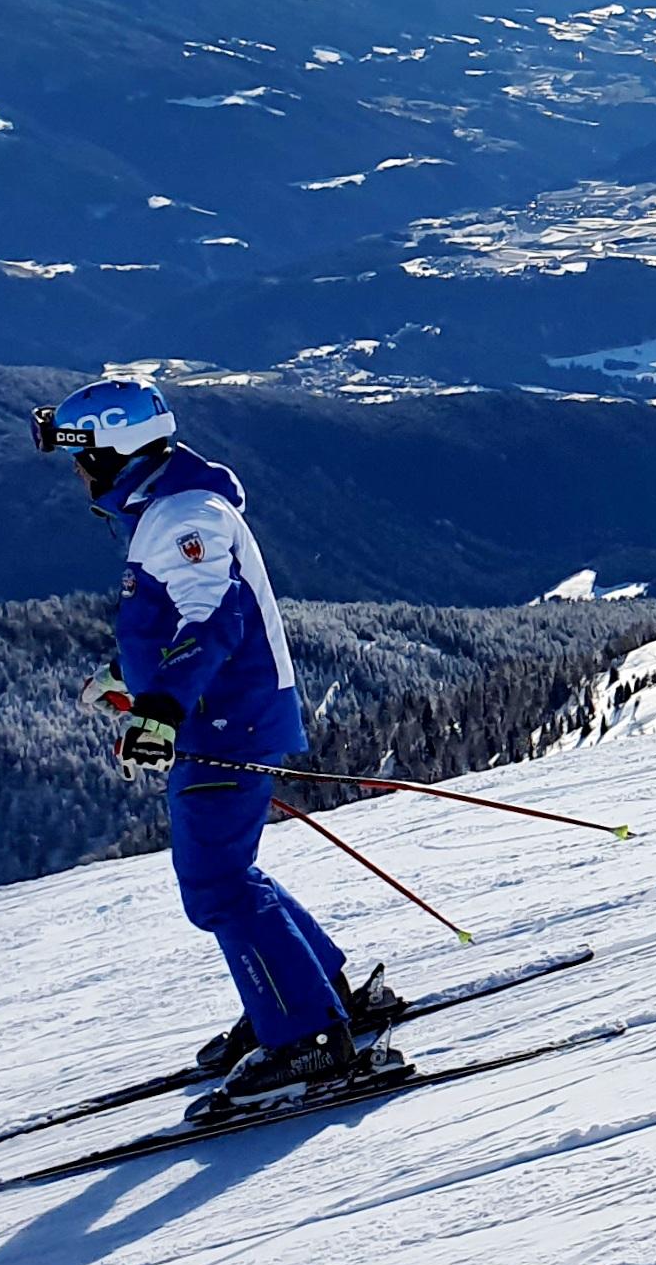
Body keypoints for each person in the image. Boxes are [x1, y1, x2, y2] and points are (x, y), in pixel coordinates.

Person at [37, 379, 392, 1105]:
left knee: (216, 885)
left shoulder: (182, 517)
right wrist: (134, 681)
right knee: (229, 873)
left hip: (223, 722)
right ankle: (316, 996)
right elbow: (181, 624)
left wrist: (161, 707)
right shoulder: (169, 509)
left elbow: (213, 620)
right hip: (222, 715)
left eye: (80, 454)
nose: (75, 471)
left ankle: (305, 1037)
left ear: (112, 452)